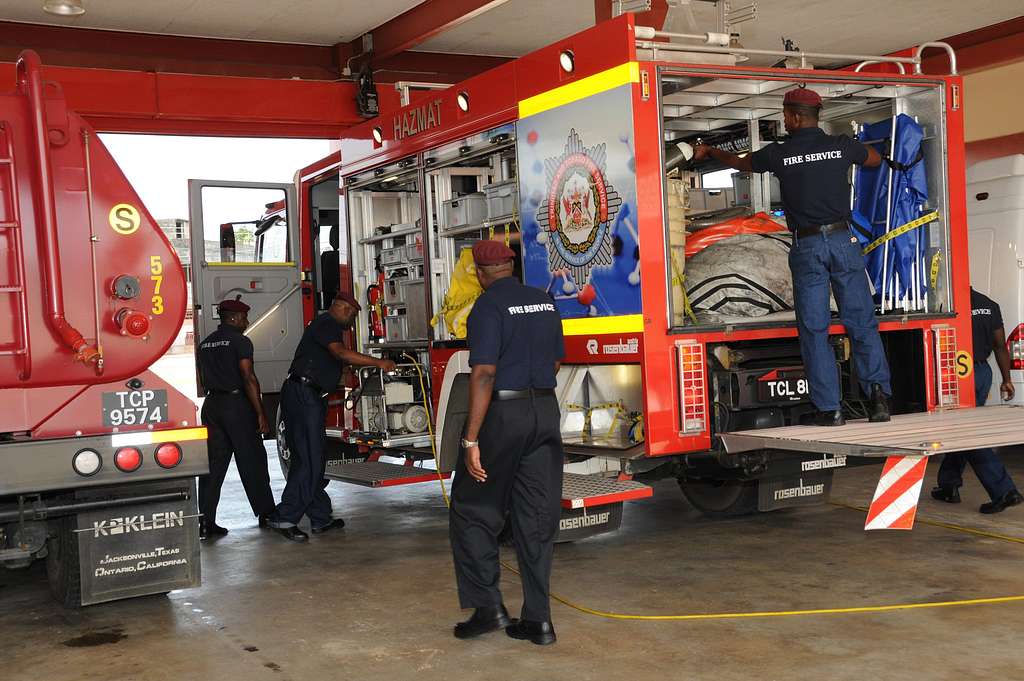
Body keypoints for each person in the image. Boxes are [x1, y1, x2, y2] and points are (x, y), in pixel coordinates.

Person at [694, 86, 891, 427]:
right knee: (861, 321)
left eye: (785, 115)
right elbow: (873, 160)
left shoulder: (779, 154)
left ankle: (830, 409)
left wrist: (710, 150)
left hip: (808, 247)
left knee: (815, 330)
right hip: (844, 241)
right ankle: (878, 399)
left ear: (796, 117)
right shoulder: (840, 145)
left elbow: (742, 163)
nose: (784, 120)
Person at [448, 240, 565, 646]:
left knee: (471, 508)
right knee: (536, 517)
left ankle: (488, 609)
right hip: (545, 412)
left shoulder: (487, 307)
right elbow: (554, 361)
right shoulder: (544, 301)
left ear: (481, 273)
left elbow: (483, 373)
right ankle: (539, 620)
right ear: (510, 266)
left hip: (505, 415)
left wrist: (470, 440)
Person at [267, 291, 396, 541]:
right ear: (341, 308)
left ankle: (320, 517)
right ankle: (284, 517)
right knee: (310, 459)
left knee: (308, 457)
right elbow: (341, 353)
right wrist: (380, 363)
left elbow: (334, 359)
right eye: (351, 314)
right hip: (304, 395)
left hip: (302, 393)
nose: (351, 320)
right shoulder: (328, 324)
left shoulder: (322, 326)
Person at [932, 288, 1022, 513]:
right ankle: (948, 484)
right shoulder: (988, 304)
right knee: (960, 431)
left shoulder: (947, 303)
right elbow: (1000, 345)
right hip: (982, 373)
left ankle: (1003, 490)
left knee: (966, 434)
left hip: (957, 374)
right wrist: (1006, 379)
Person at [196, 295, 276, 539]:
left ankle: (206, 522)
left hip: (211, 406)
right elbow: (248, 377)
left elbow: (201, 380)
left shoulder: (205, 344)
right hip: (236, 405)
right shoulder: (241, 342)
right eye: (244, 317)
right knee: (252, 460)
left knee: (213, 465)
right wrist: (261, 413)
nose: (247, 321)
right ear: (234, 318)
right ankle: (267, 514)